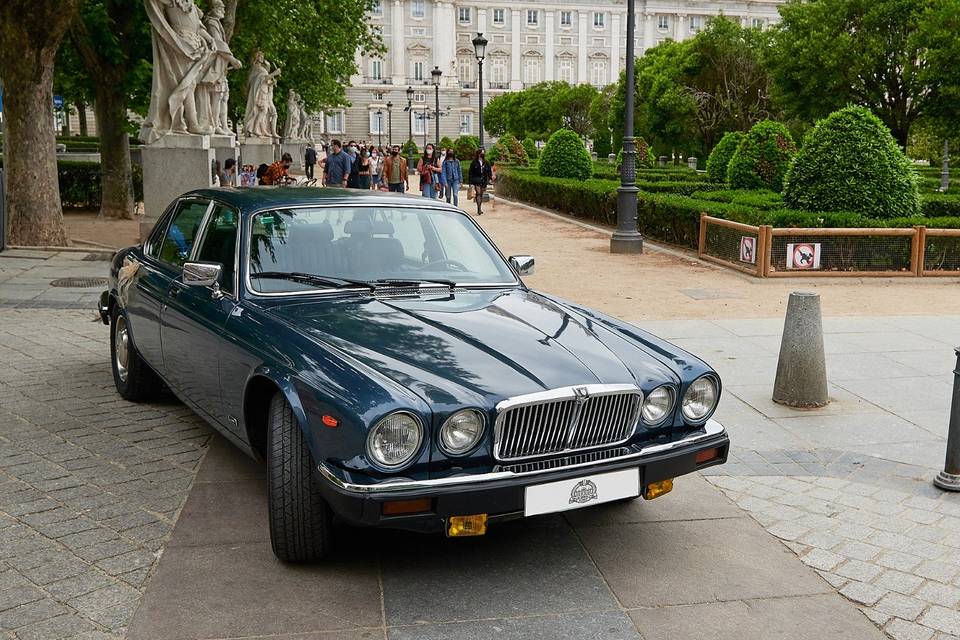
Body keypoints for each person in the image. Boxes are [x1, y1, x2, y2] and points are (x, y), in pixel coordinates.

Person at [468, 148, 493, 215]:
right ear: (478, 154)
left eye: (483, 153)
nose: (482, 154)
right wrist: (470, 182)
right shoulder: (474, 162)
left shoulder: (486, 162)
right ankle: (478, 208)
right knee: (478, 193)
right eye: (481, 153)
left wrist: (490, 178)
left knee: (481, 194)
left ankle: (480, 207)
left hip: (484, 180)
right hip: (476, 179)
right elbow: (470, 172)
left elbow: (489, 171)